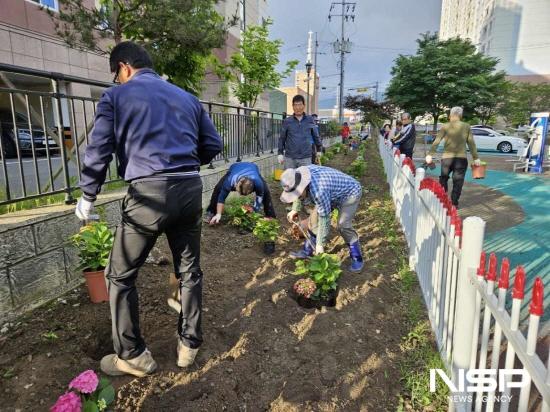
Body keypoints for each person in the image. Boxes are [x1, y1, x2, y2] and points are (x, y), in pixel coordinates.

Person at [74, 41, 222, 377]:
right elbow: (213, 144)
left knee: (120, 275)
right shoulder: (186, 97)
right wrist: (183, 164)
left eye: (117, 75)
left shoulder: (116, 97)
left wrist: (88, 195)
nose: (117, 81)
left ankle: (132, 355)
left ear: (124, 67)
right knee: (189, 269)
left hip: (148, 196)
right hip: (188, 190)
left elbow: (99, 149)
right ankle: (189, 345)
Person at [280, 165, 364, 272]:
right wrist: (294, 209)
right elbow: (296, 192)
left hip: (349, 193)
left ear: (304, 186)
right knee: (313, 221)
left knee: (343, 225)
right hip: (331, 192)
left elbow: (325, 219)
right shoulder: (296, 176)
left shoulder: (319, 190)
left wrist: (320, 244)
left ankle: (357, 258)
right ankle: (307, 250)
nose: (295, 196)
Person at [425, 106, 481, 208]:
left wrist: (430, 154)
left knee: (443, 178)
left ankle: (442, 200)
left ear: (451, 114)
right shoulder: (466, 126)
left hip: (447, 159)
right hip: (461, 159)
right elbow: (471, 143)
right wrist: (476, 158)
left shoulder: (445, 126)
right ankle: (454, 203)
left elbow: (437, 141)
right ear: (460, 115)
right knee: (458, 181)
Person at [205, 161, 276, 224]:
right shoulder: (230, 181)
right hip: (235, 168)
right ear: (236, 186)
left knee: (265, 191)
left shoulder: (258, 183)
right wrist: (219, 214)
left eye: (245, 194)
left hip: (253, 168)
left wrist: (254, 211)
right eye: (240, 193)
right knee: (218, 189)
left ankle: (270, 215)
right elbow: (221, 199)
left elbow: (259, 197)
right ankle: (211, 212)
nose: (242, 196)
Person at [278, 95, 323, 170]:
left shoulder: (310, 119)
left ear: (304, 106)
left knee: (305, 180)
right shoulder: (287, 121)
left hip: (305, 157)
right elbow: (282, 138)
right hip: (290, 158)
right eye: (295, 105)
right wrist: (280, 153)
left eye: (300, 105)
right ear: (292, 106)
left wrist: (319, 149)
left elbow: (316, 136)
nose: (298, 108)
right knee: (289, 180)